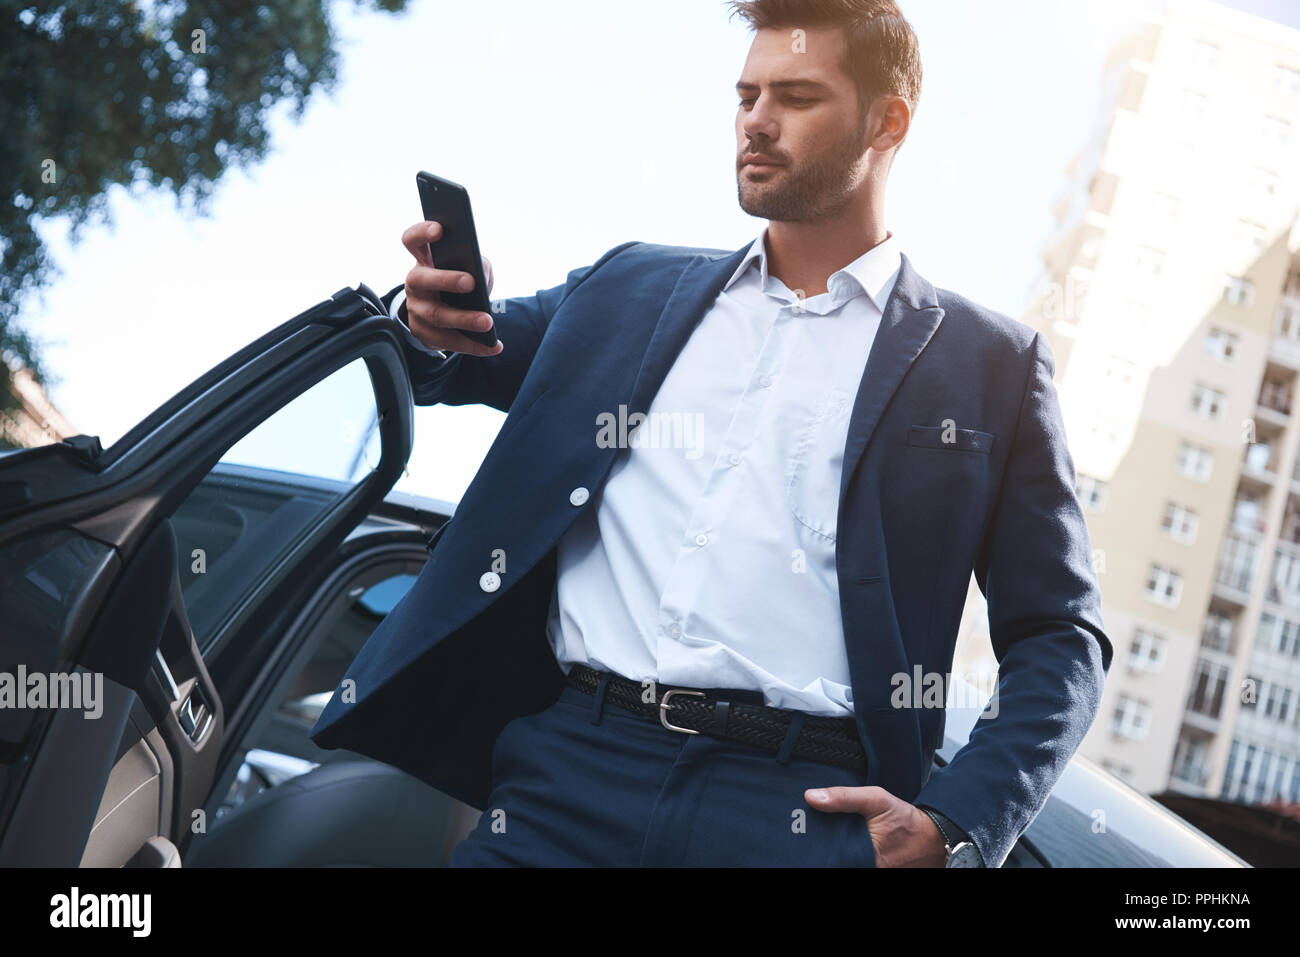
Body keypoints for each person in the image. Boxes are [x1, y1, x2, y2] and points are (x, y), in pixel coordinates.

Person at [311, 0, 1111, 867]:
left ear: (889, 121)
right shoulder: (628, 289)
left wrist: (959, 824)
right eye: (746, 95)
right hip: (565, 774)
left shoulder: (990, 364)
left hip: (798, 811)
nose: (757, 122)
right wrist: (429, 315)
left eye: (797, 97)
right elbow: (461, 356)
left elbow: (1060, 636)